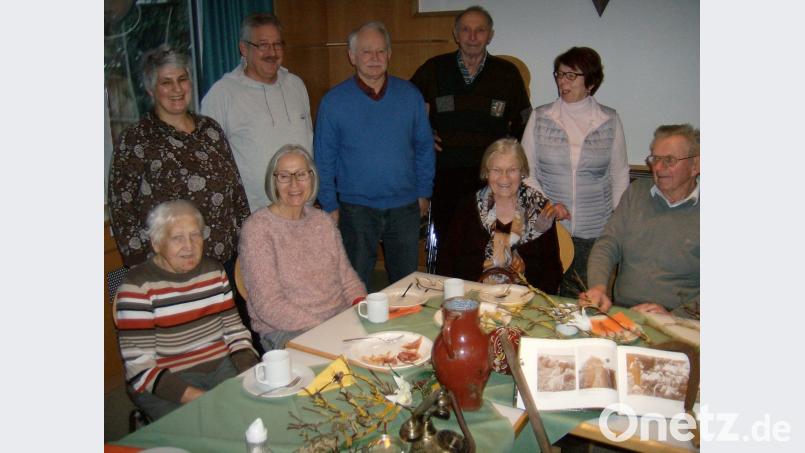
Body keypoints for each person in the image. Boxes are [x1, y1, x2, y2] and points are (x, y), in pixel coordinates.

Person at [314, 22, 435, 289]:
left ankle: (404, 330)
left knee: (406, 285)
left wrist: (424, 192)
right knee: (355, 283)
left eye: (381, 51)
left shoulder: (410, 96)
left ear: (390, 55)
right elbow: (324, 159)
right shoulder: (333, 102)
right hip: (355, 209)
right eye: (366, 52)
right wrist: (329, 205)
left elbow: (425, 148)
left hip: (404, 207)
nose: (375, 58)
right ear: (352, 56)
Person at [114, 200, 259, 421]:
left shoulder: (214, 272)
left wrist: (249, 369)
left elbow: (234, 330)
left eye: (195, 235)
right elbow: (140, 367)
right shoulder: (137, 288)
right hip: (168, 379)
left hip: (221, 366)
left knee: (258, 411)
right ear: (156, 243)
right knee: (198, 431)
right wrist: (200, 398)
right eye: (177, 238)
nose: (189, 246)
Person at [108, 45, 251, 270]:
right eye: (166, 82)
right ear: (150, 89)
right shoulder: (136, 139)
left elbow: (237, 194)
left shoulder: (210, 130)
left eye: (182, 79)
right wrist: (146, 269)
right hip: (170, 271)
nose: (176, 88)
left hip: (224, 265)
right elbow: (122, 211)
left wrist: (248, 246)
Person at [410, 5, 531, 269]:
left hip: (491, 179)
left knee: (485, 243)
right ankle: (447, 296)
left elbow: (524, 120)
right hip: (445, 176)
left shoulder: (506, 74)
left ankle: (483, 295)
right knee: (446, 243)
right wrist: (423, 134)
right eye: (466, 29)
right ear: (455, 34)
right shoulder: (434, 69)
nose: (472, 36)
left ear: (490, 35)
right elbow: (405, 109)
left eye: (480, 30)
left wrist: (509, 157)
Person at [522, 46, 630, 298]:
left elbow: (620, 174)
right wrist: (548, 205)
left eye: (571, 75)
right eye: (559, 74)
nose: (562, 81)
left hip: (594, 230)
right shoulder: (540, 117)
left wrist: (617, 222)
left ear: (590, 82)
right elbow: (526, 171)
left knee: (581, 298)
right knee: (544, 294)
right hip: (548, 227)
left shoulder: (609, 119)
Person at [239, 145, 366, 350]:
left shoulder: (323, 221)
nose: (294, 184)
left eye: (301, 174)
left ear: (312, 177)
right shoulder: (258, 229)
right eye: (284, 176)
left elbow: (347, 277)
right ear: (273, 180)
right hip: (287, 329)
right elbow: (269, 305)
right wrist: (325, 328)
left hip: (337, 320)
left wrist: (363, 305)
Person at [580, 124, 700, 315]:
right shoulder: (637, 193)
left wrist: (674, 316)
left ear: (695, 166)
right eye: (655, 159)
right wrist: (598, 287)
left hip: (680, 320)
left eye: (669, 160)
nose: (659, 168)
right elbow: (608, 244)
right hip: (624, 311)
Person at [202, 12, 313, 213]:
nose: (272, 52)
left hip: (301, 211)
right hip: (253, 216)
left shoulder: (296, 85)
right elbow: (209, 162)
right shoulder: (222, 94)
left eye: (277, 44)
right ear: (244, 48)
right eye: (262, 45)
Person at [438, 138, 562, 293]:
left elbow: (553, 270)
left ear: (523, 172)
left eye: (512, 170)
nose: (504, 178)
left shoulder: (541, 211)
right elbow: (447, 262)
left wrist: (525, 270)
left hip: (524, 301)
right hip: (473, 296)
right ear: (486, 172)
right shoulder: (468, 207)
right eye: (496, 170)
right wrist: (481, 268)